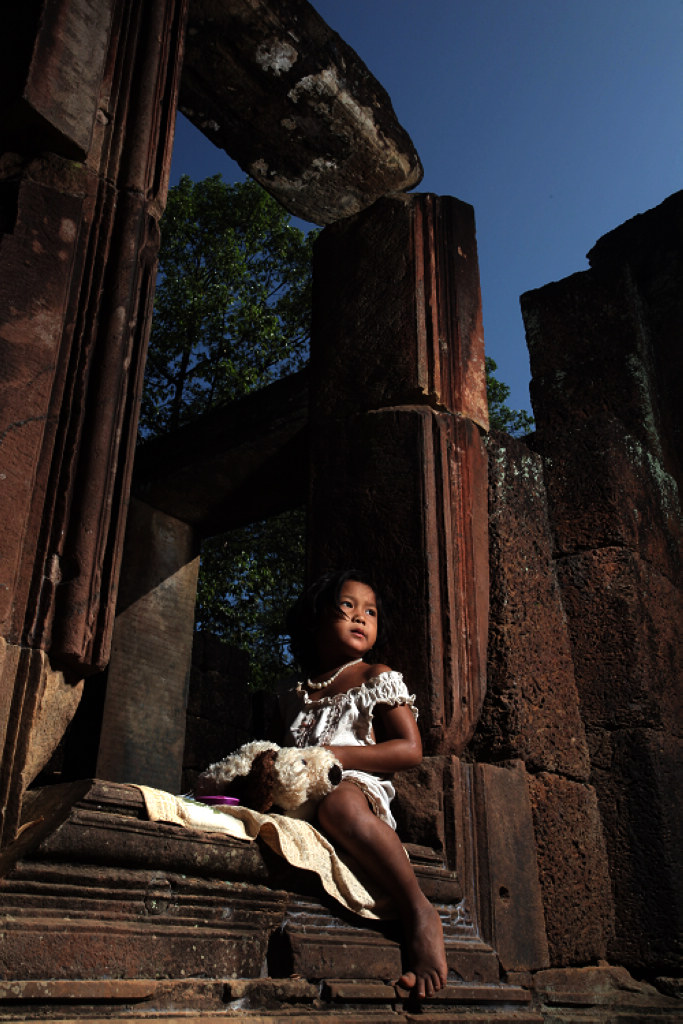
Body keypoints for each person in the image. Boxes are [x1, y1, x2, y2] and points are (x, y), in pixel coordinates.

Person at [280, 569, 448, 999]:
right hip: (302, 790)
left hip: (353, 785)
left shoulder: (374, 674)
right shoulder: (297, 695)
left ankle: (419, 910)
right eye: (347, 607)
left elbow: (410, 749)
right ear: (316, 621)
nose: (360, 617)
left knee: (337, 805)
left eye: (369, 612)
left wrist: (335, 757)